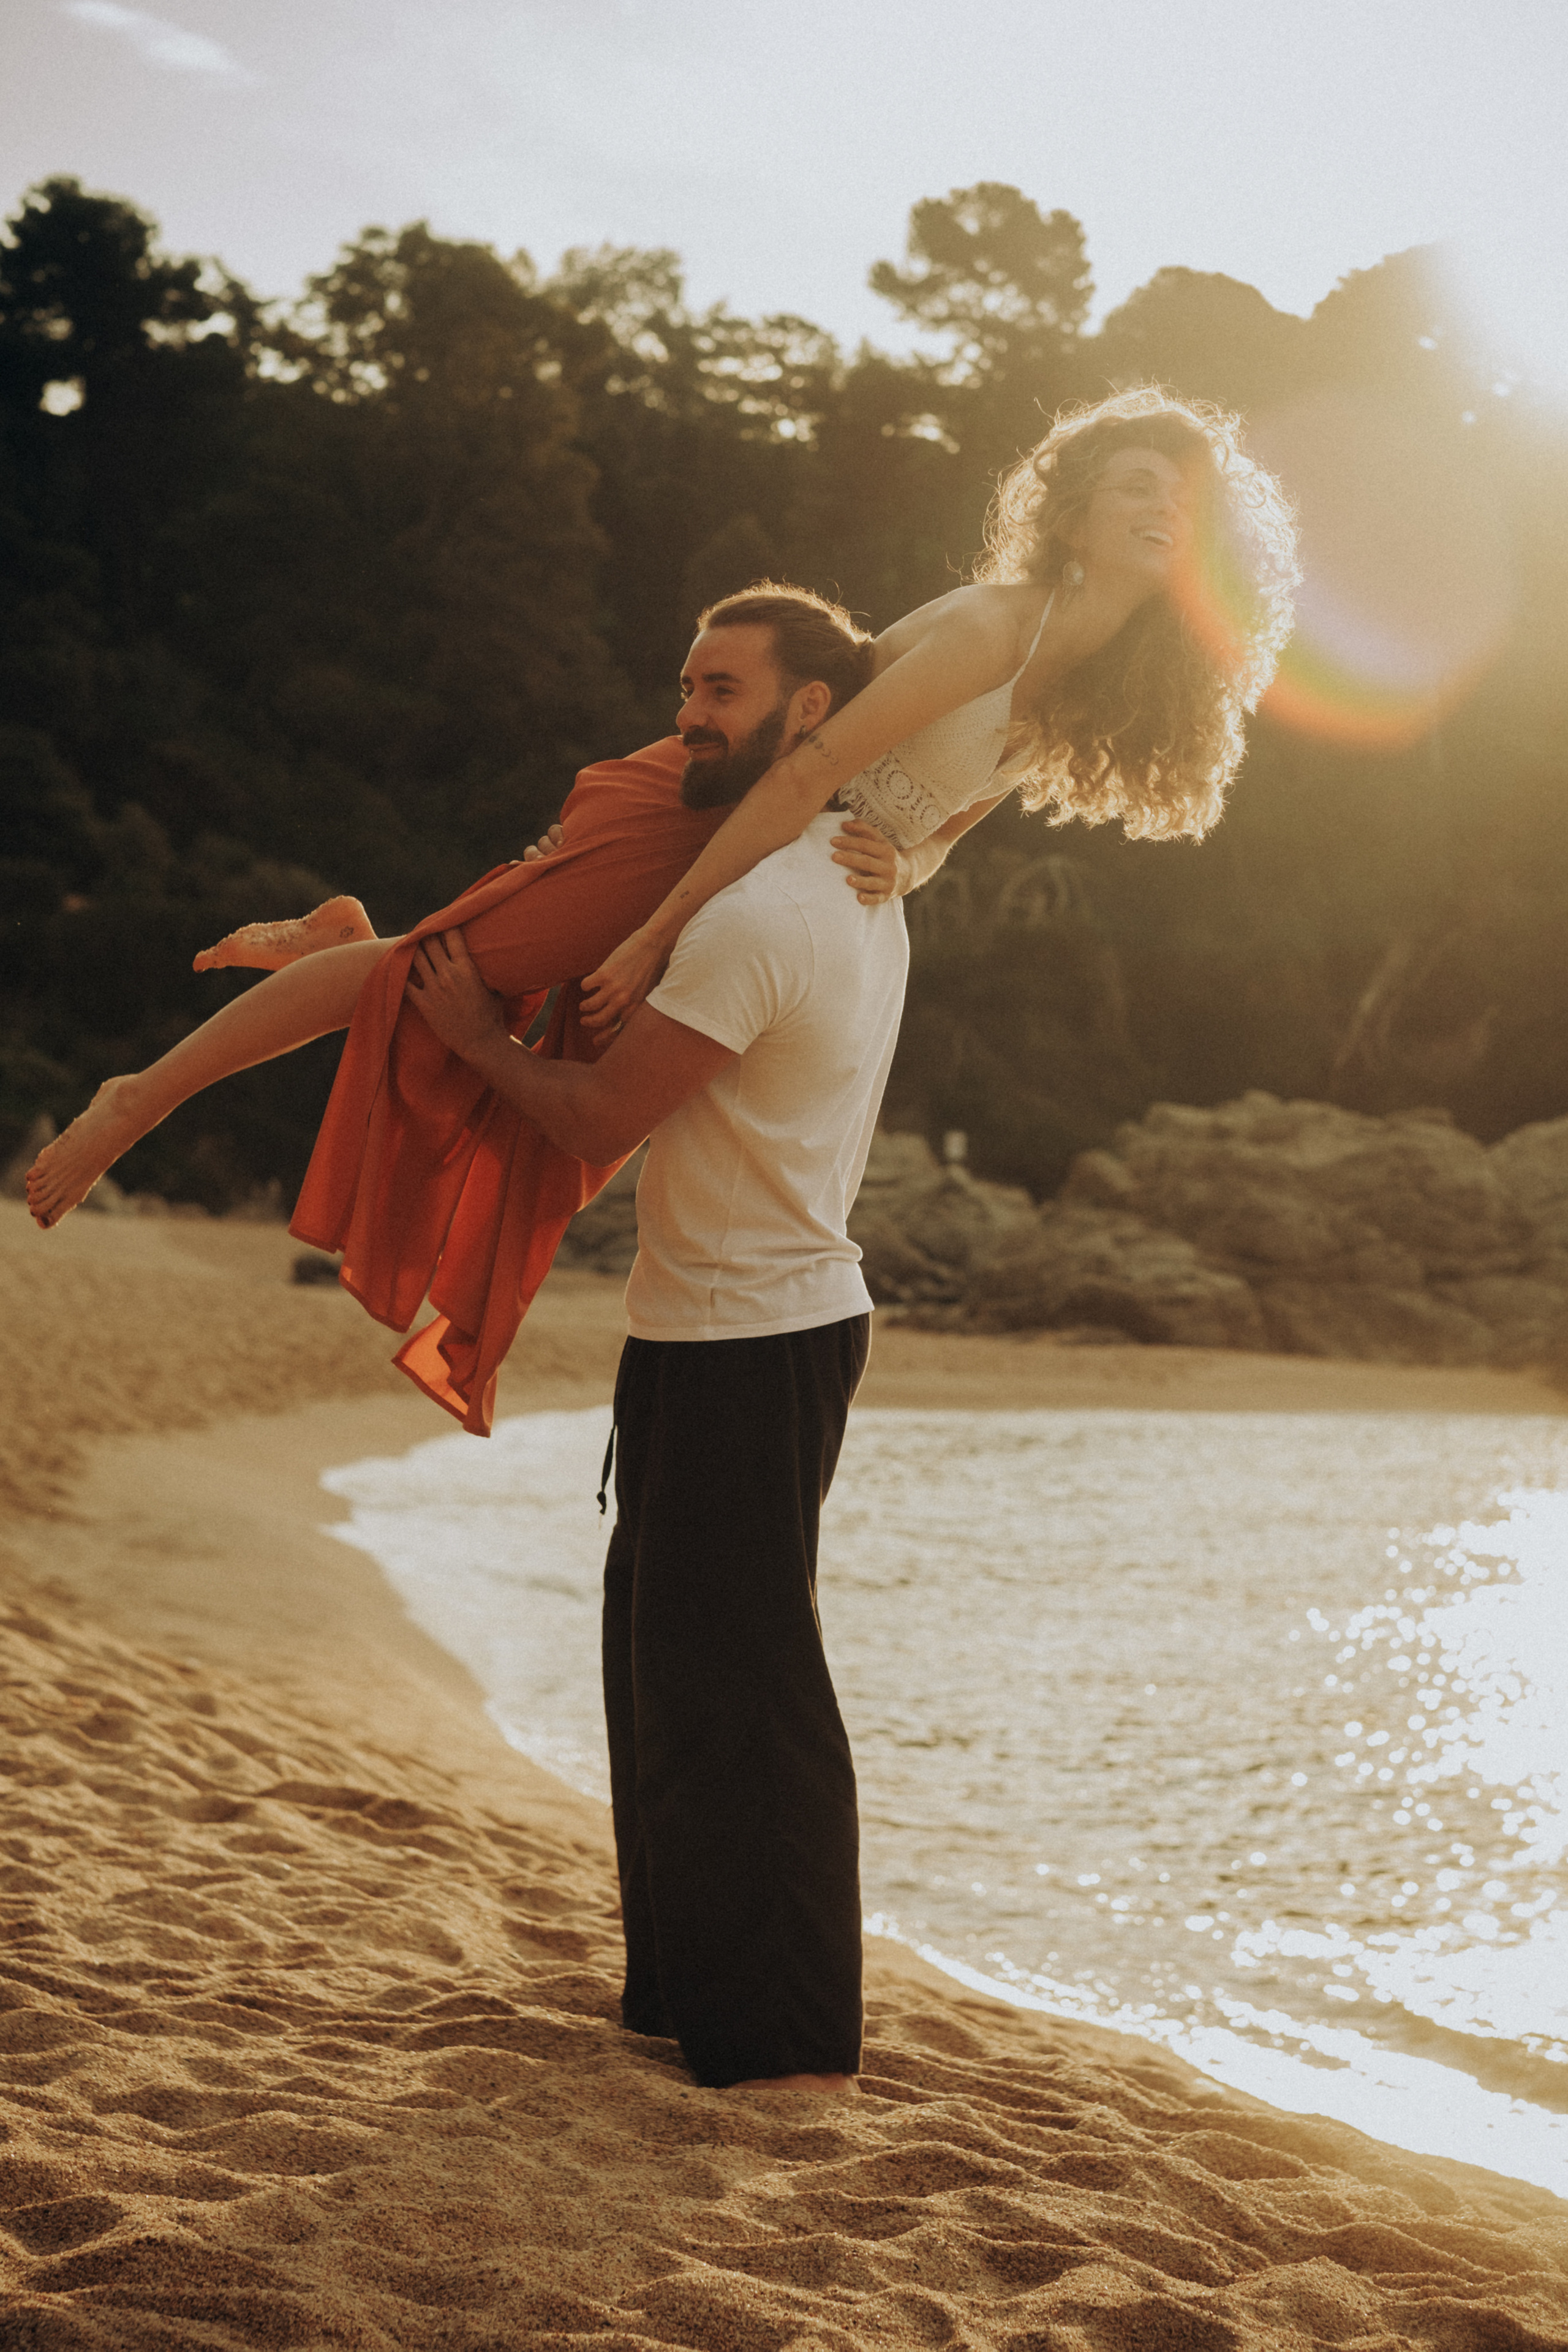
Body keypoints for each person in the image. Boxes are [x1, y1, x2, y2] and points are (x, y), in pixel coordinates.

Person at [24, 387, 1298, 1430]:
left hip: (770, 856)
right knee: (435, 976)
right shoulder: (994, 628)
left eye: (1180, 500)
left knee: (546, 1090)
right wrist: (648, 931)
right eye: (1134, 482)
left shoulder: (1093, 689)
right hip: (702, 818)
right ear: (1073, 512)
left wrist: (904, 867)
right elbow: (803, 769)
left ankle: (346, 939)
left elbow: (951, 815)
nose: (1158, 508)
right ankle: (137, 1098)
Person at [399, 665, 909, 2090]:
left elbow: (597, 1117)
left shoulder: (758, 914)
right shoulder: (855, 872)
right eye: (682, 681)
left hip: (752, 1337)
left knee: (745, 1690)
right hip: (718, 1330)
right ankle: (683, 1992)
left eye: (722, 688)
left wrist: (477, 1047)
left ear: (810, 711)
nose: (688, 710)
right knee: (670, 1671)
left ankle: (781, 2038)